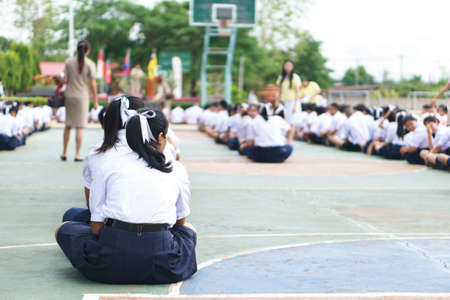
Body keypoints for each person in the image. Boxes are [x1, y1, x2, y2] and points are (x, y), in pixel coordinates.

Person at [55, 108, 197, 284]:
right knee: (190, 230)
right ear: (161, 136)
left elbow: (96, 228)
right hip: (163, 264)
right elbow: (180, 224)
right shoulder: (175, 168)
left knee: (64, 228)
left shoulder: (107, 163)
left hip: (112, 262)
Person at [62, 40, 98, 161]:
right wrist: (96, 100)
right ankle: (77, 154)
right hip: (82, 97)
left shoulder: (68, 62)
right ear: (87, 51)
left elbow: (65, 80)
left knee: (68, 125)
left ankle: (64, 152)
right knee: (79, 127)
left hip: (69, 95)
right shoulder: (90, 64)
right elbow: (93, 84)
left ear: (77, 49)